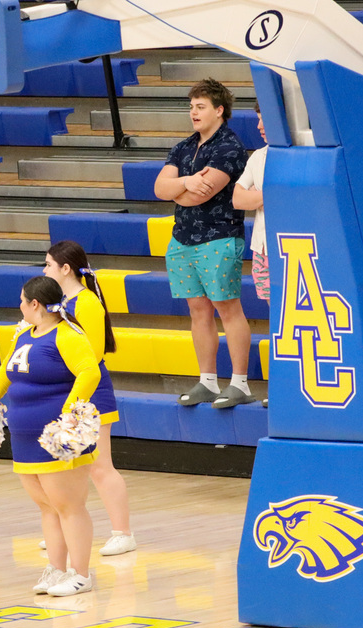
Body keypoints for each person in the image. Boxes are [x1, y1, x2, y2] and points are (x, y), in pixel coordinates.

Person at [0, 276, 102, 596]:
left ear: (35, 305)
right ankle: (57, 569)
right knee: (47, 507)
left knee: (69, 506)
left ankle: (82, 573)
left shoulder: (67, 335)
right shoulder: (23, 334)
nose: (19, 306)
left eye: (22, 301)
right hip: (24, 437)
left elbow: (91, 372)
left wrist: (68, 416)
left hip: (58, 439)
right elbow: (4, 372)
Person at [154, 78, 254, 409]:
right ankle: (208, 381)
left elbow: (203, 194)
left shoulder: (230, 147)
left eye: (200, 107)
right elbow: (160, 189)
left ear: (219, 110)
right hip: (181, 238)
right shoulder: (183, 146)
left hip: (219, 237)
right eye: (191, 107)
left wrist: (179, 189)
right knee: (197, 310)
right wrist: (185, 181)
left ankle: (240, 383)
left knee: (227, 307)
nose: (193, 113)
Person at [43, 241, 136, 556]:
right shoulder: (57, 302)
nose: (44, 271)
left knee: (99, 466)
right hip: (63, 390)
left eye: (48, 265)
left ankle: (123, 533)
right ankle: (67, 529)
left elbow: (92, 354)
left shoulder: (87, 303)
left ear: (65, 269)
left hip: (91, 390)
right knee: (65, 466)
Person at [232, 103, 270, 407]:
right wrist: (269, 195)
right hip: (263, 250)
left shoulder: (299, 155)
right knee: (278, 321)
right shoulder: (258, 157)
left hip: (296, 250)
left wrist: (259, 197)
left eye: (265, 119)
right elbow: (238, 198)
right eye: (258, 119)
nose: (258, 126)